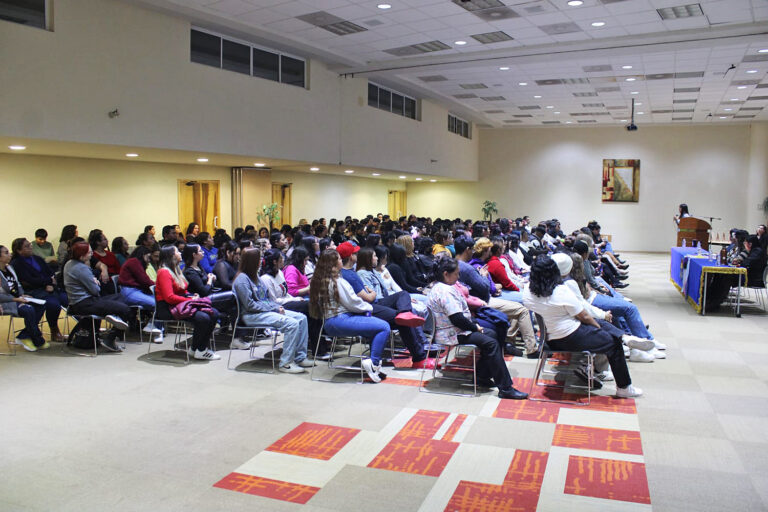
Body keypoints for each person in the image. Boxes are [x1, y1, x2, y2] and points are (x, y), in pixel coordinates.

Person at [522, 256, 642, 398]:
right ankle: (624, 387)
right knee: (613, 344)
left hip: (551, 339)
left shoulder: (527, 293)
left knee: (600, 325)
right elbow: (584, 316)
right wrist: (597, 328)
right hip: (572, 336)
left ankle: (624, 337)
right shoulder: (561, 291)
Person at [428, 258, 528, 399]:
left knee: (493, 333)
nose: (458, 277)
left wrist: (475, 325)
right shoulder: (445, 292)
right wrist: (475, 327)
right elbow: (457, 319)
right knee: (491, 343)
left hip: (453, 329)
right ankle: (505, 388)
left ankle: (482, 376)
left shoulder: (440, 286)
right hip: (451, 333)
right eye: (456, 274)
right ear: (446, 274)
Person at [309, 249, 391, 382]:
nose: (342, 260)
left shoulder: (319, 280)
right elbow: (353, 303)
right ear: (334, 264)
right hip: (341, 320)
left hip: (329, 323)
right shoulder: (337, 281)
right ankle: (373, 363)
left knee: (374, 329)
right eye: (340, 259)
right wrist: (369, 307)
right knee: (384, 327)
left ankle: (373, 365)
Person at [351, 245, 435, 370]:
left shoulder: (374, 271)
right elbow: (372, 296)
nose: (376, 258)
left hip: (383, 301)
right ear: (368, 258)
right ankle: (420, 353)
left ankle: (420, 351)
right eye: (374, 256)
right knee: (403, 298)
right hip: (376, 303)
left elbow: (388, 288)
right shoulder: (362, 273)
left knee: (405, 311)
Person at [233, 248, 311, 373]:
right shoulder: (242, 280)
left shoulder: (255, 277)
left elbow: (266, 298)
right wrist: (273, 308)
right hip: (251, 315)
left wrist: (274, 307)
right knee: (292, 324)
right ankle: (286, 363)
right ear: (252, 261)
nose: (261, 261)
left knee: (302, 318)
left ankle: (300, 357)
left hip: (264, 311)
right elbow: (250, 305)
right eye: (258, 259)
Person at [63, 241, 131, 352]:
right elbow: (96, 290)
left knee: (120, 297)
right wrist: (94, 281)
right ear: (82, 256)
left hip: (80, 301)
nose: (92, 254)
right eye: (89, 253)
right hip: (85, 303)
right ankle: (110, 338)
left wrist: (92, 280)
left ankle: (113, 316)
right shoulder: (81, 268)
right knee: (126, 309)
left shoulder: (69, 263)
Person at [154, 245, 220, 360]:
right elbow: (169, 297)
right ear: (171, 256)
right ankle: (200, 349)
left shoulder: (176, 268)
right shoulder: (164, 272)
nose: (180, 253)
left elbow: (182, 290)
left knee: (213, 313)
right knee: (203, 318)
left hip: (179, 305)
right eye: (177, 252)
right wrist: (189, 299)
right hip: (167, 308)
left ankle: (195, 349)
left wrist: (190, 296)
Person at [181, 243, 244, 349]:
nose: (203, 253)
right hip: (200, 300)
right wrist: (210, 280)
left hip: (210, 296)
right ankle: (238, 337)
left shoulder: (199, 267)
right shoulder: (190, 272)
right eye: (200, 251)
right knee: (233, 295)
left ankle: (237, 338)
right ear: (194, 255)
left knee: (234, 307)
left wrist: (211, 278)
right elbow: (204, 291)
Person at [10, 238, 67, 342]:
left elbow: (50, 273)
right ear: (19, 250)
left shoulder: (37, 258)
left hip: (48, 288)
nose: (30, 247)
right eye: (26, 246)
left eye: (30, 245)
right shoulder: (16, 263)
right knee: (53, 304)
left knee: (67, 299)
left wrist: (50, 283)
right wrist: (47, 282)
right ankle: (54, 329)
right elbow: (29, 280)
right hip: (32, 291)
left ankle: (84, 329)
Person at [0, 245, 47, 351]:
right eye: (6, 252)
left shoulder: (10, 268)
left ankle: (24, 335)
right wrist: (16, 299)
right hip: (6, 303)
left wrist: (22, 295)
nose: (10, 254)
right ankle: (37, 339)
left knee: (41, 305)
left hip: (18, 299)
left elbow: (18, 285)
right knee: (28, 309)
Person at [118, 246, 162, 341]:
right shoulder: (134, 262)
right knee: (157, 304)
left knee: (161, 301)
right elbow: (144, 281)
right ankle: (154, 327)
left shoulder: (136, 263)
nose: (149, 261)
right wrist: (158, 286)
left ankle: (155, 327)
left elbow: (144, 281)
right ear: (143, 255)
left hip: (136, 291)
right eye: (148, 257)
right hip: (129, 292)